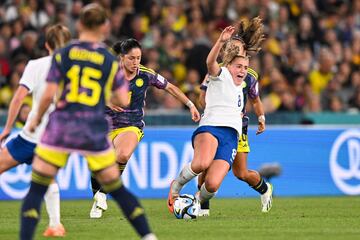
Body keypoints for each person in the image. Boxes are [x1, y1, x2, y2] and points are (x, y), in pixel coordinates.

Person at [20, 4, 157, 240]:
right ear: (104, 27)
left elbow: (48, 93)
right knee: (116, 188)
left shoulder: (64, 54)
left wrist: (35, 120)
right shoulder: (107, 58)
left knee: (38, 185)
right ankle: (148, 236)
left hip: (61, 126)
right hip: (93, 127)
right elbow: (123, 98)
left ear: (80, 25)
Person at [89, 38, 201, 218]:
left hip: (131, 126)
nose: (135, 63)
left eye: (138, 58)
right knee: (96, 167)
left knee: (123, 155)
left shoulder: (145, 75)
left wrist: (190, 105)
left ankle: (102, 193)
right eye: (131, 59)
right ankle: (97, 195)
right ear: (122, 57)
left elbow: (170, 88)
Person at [167, 25, 249, 213]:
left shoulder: (240, 85)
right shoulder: (221, 74)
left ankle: (195, 203)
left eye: (245, 67)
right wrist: (220, 42)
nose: (242, 70)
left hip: (231, 137)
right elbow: (210, 61)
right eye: (239, 66)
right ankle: (176, 187)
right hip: (211, 127)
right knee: (202, 164)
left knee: (212, 185)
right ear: (229, 66)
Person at [0, 24, 72, 237]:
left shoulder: (36, 65)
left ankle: (55, 225)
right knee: (47, 177)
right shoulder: (74, 69)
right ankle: (56, 225)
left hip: (31, 136)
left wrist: (7, 128)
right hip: (55, 138)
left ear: (47, 44)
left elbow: (19, 98)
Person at [197, 18, 272, 216]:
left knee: (241, 173)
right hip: (215, 124)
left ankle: (265, 189)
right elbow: (201, 98)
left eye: (239, 48)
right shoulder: (217, 71)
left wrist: (262, 118)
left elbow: (255, 100)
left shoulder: (249, 74)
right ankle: (202, 206)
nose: (237, 51)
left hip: (239, 127)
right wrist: (216, 109)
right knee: (205, 166)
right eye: (233, 47)